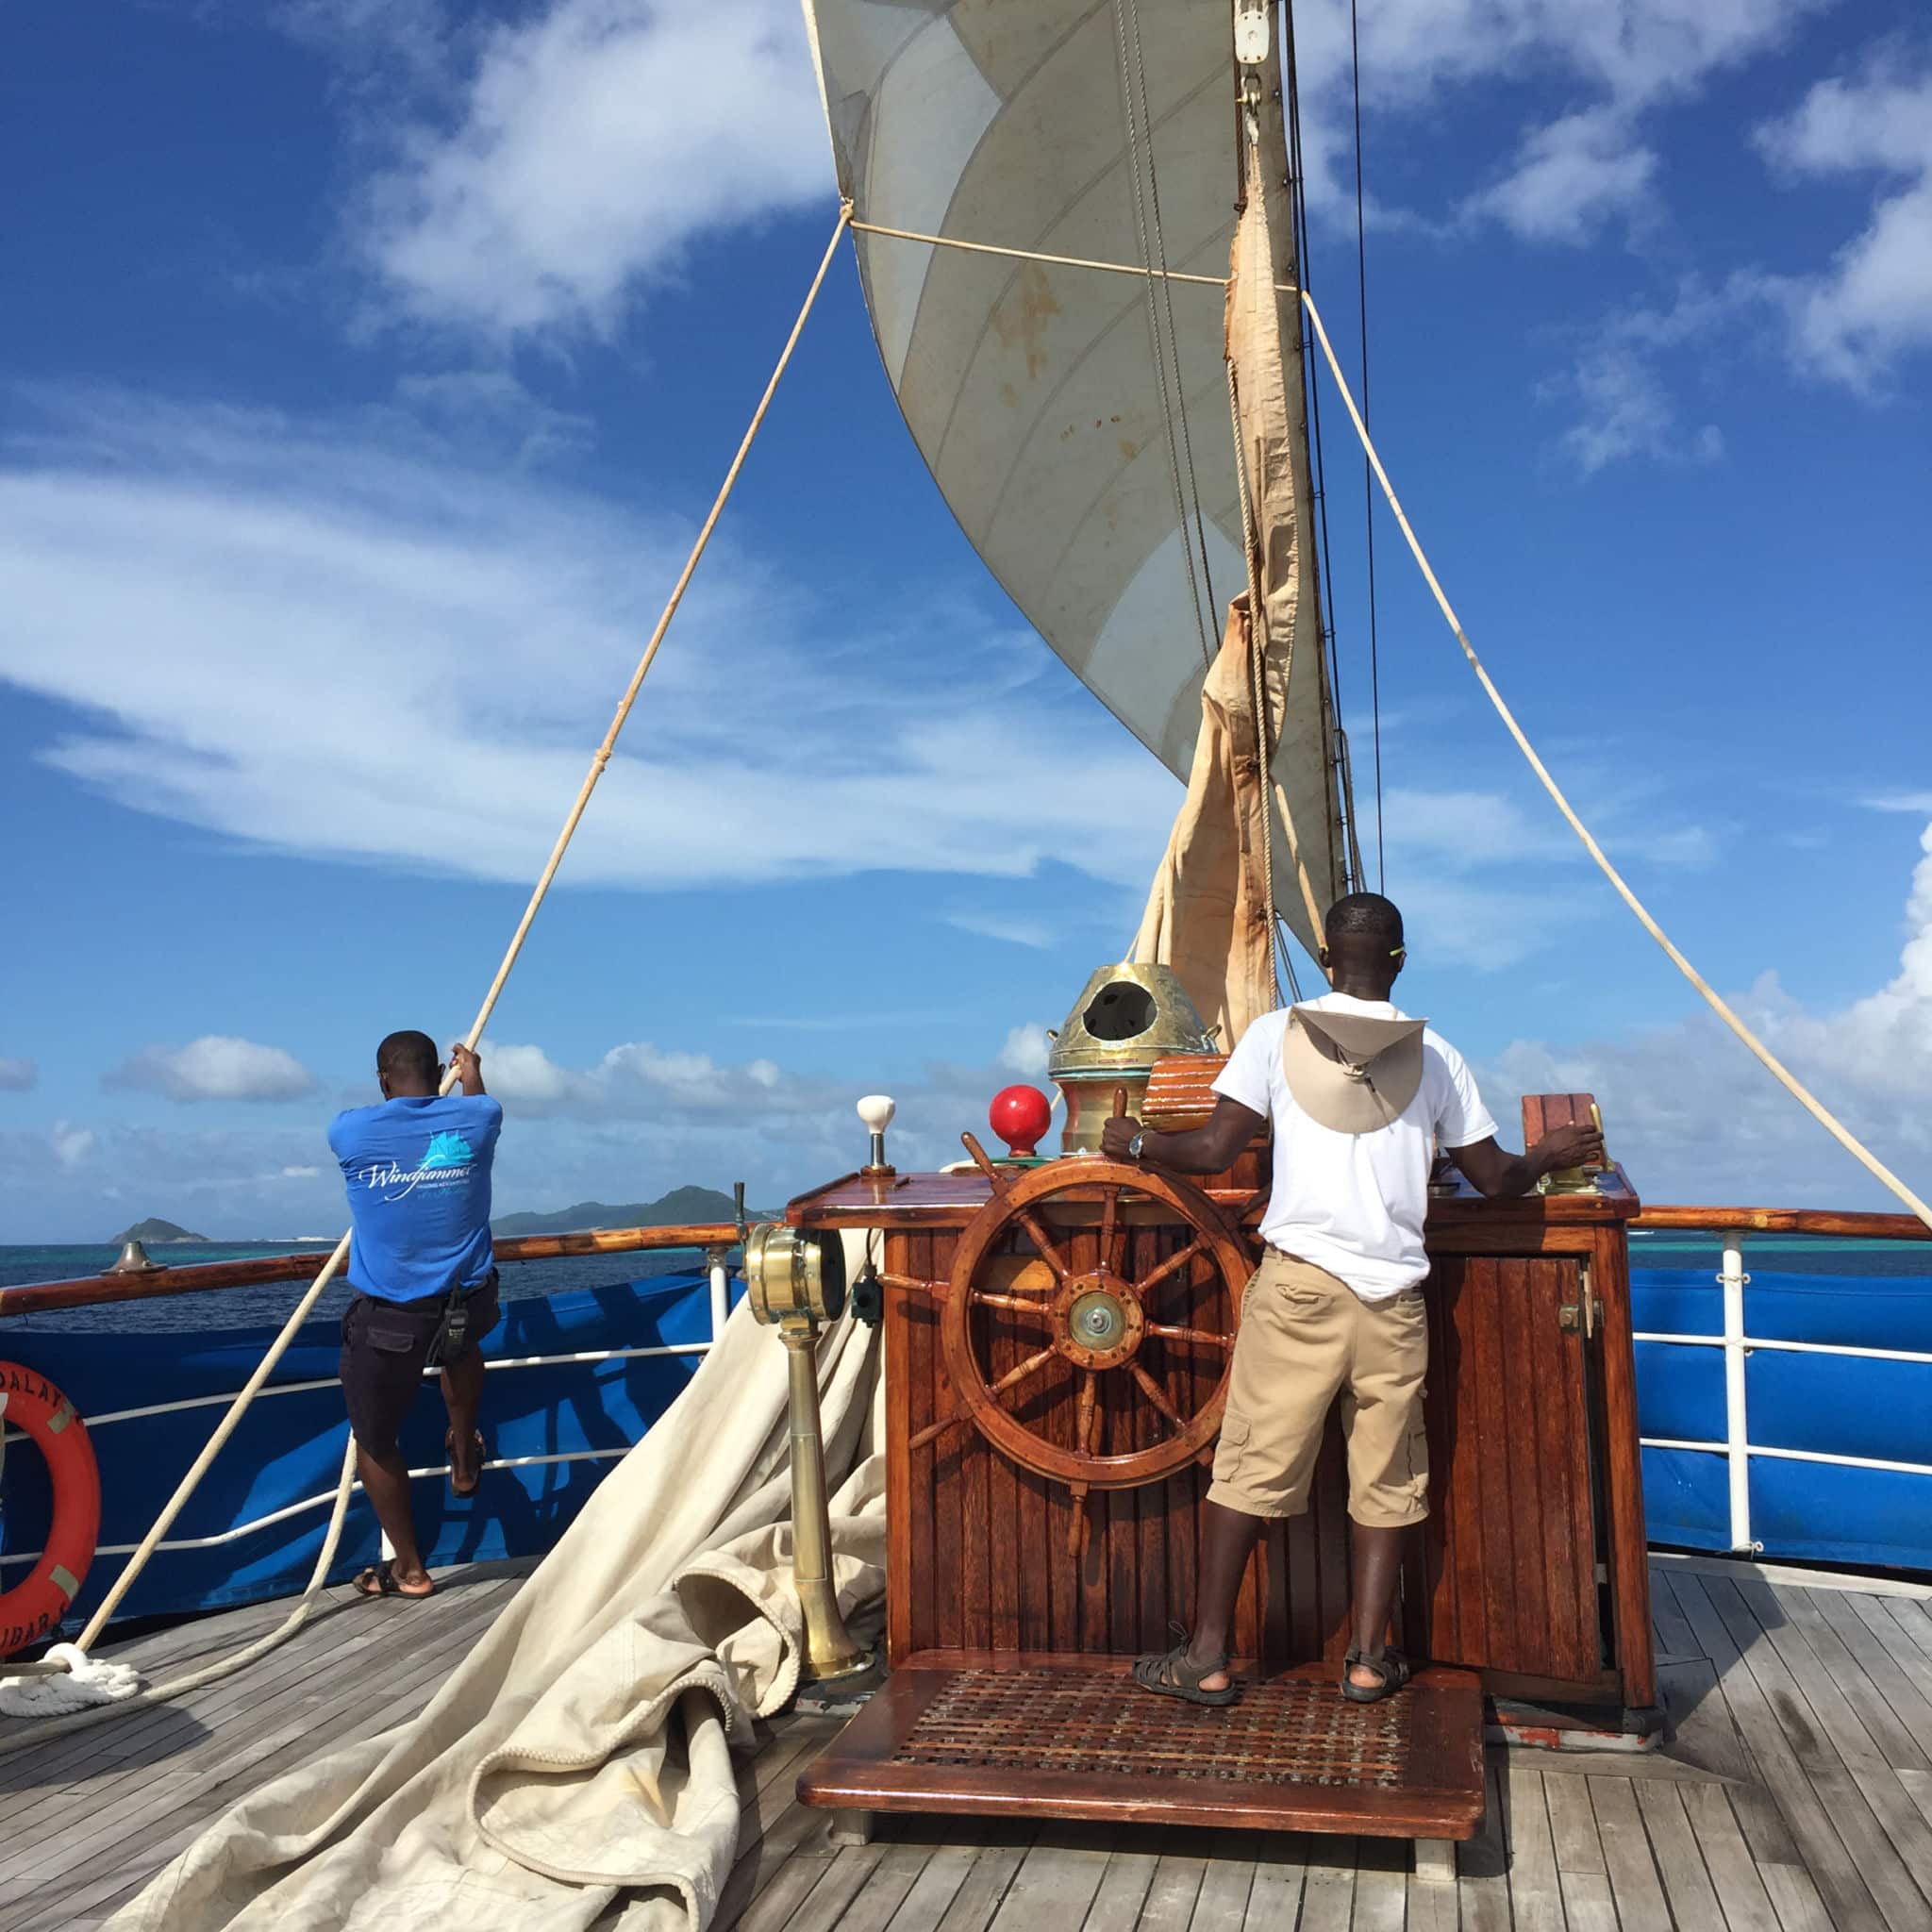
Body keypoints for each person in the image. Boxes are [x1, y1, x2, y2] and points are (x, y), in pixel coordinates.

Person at [1101, 893, 1602, 1704]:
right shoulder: (1437, 1058)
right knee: (1390, 1478)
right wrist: (1549, 1152)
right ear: (1400, 961)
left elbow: (1212, 1148)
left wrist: (1137, 1143)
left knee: (1250, 1467)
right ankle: (1369, 1660)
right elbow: (1497, 1179)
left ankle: (1207, 1658)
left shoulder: (1273, 1036)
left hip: (1300, 1286)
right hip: (1395, 1299)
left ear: (1328, 958)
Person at [328, 1031, 504, 1600]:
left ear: (383, 1079)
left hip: (391, 1322)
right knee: (461, 1345)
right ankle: (463, 1453)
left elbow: (378, 1120)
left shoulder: (349, 1130)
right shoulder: (478, 1120)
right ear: (439, 1071)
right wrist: (471, 1071)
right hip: (467, 1306)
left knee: (375, 1440)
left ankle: (408, 1569)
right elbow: (479, 1102)